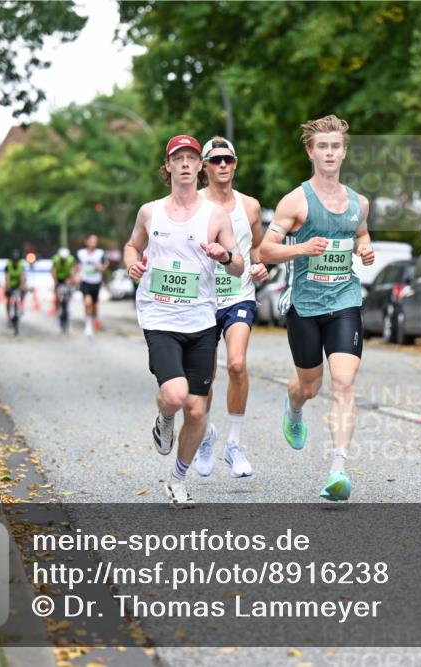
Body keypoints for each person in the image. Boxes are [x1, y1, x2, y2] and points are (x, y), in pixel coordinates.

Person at [259, 114, 375, 502]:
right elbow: (266, 250)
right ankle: (293, 409)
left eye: (335, 147)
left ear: (344, 152)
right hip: (305, 305)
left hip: (345, 300)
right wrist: (302, 248)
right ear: (311, 151)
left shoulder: (359, 202)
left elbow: (360, 232)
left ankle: (338, 470)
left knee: (344, 383)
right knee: (309, 387)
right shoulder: (295, 201)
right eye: (322, 146)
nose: (329, 152)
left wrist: (365, 247)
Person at [124, 134, 244, 508]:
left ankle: (177, 479)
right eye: (180, 158)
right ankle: (164, 418)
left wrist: (224, 255)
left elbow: (239, 267)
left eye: (193, 157)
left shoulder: (216, 215)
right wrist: (132, 262)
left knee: (197, 410)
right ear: (170, 166)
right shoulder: (151, 212)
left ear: (199, 166)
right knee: (175, 397)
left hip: (201, 320)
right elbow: (133, 245)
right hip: (160, 317)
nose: (188, 164)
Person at [192, 137, 268, 479]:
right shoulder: (192, 205)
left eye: (228, 160)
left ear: (235, 164)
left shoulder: (250, 206)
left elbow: (260, 249)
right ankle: (206, 435)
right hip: (202, 301)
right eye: (215, 160)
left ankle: (234, 445)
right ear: (204, 167)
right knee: (203, 379)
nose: (222, 165)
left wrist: (262, 266)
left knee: (237, 364)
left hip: (239, 294)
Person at [77, 234, 109, 337]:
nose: (93, 243)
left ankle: (94, 319)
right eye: (91, 240)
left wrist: (101, 268)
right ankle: (88, 326)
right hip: (85, 281)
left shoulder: (100, 253)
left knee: (94, 305)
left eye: (95, 241)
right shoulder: (80, 253)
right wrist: (75, 275)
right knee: (87, 302)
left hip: (96, 282)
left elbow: (106, 265)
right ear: (86, 242)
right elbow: (75, 265)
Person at [3, 250, 26, 322]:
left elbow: (22, 276)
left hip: (18, 284)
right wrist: (8, 286)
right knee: (8, 298)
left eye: (16, 260)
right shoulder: (8, 265)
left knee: (23, 291)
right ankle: (8, 314)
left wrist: (22, 285)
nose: (15, 262)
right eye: (14, 260)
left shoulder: (21, 265)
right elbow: (7, 277)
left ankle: (21, 305)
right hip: (10, 284)